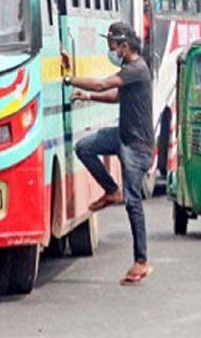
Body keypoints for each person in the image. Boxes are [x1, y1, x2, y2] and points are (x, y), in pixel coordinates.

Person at [63, 22, 153, 286]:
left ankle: (142, 260)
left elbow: (103, 85)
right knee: (85, 147)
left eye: (113, 45)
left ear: (125, 46)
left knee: (133, 202)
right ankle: (111, 189)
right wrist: (87, 97)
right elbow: (115, 96)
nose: (111, 50)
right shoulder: (129, 71)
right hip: (123, 136)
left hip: (136, 145)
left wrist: (68, 79)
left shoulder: (136, 69)